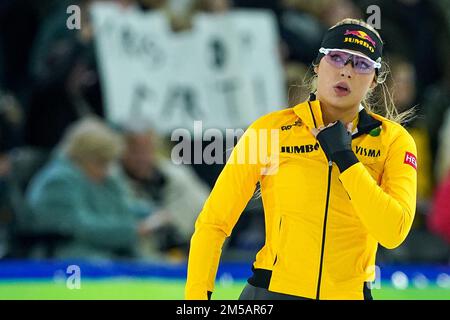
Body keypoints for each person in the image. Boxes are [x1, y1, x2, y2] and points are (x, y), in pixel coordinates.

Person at [185, 18, 417, 300]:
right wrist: (197, 297)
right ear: (318, 65)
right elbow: (213, 223)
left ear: (374, 80)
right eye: (337, 58)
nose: (346, 71)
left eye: (361, 64)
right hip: (271, 292)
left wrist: (345, 159)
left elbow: (393, 232)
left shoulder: (393, 140)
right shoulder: (270, 131)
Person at [25, 117, 159, 260]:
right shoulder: (58, 182)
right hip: (69, 255)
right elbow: (81, 228)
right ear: (82, 157)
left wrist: (151, 213)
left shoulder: (102, 179)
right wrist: (134, 230)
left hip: (104, 251)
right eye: (101, 163)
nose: (106, 171)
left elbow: (120, 207)